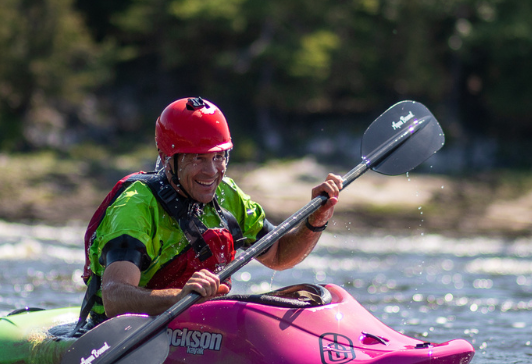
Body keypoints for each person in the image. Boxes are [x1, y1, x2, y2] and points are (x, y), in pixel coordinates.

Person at [79, 97, 342, 325]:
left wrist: (315, 221)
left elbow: (279, 255)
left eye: (218, 157)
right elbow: (115, 298)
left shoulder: (227, 195)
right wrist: (179, 297)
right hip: (121, 331)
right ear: (169, 159)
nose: (212, 171)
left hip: (195, 327)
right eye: (198, 158)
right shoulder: (135, 207)